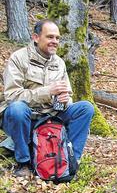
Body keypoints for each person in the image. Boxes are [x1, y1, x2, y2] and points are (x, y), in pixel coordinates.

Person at [0, 20, 94, 178]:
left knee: (85, 108)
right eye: (50, 37)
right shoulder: (18, 58)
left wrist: (64, 101)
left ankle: (71, 159)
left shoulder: (59, 63)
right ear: (36, 37)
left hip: (49, 117)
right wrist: (47, 91)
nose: (55, 42)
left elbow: (66, 99)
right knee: (17, 108)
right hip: (23, 118)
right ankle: (24, 162)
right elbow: (12, 95)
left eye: (57, 38)